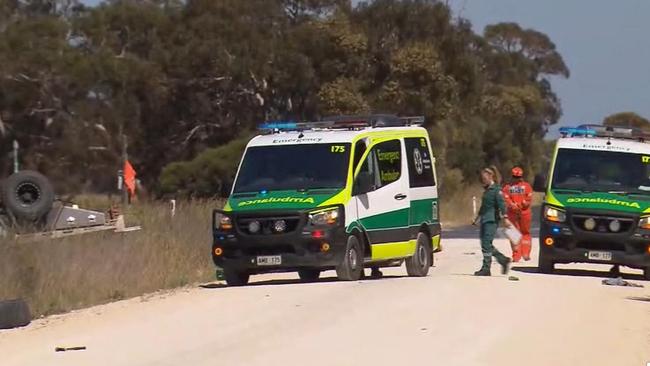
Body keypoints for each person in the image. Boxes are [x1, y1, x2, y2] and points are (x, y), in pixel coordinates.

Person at [472, 166, 512, 276]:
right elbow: (483, 207)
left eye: (485, 178)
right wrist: (477, 219)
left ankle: (486, 268)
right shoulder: (487, 190)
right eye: (482, 178)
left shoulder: (496, 190)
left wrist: (505, 218)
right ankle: (503, 260)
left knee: (486, 243)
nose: (483, 180)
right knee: (485, 243)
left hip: (492, 220)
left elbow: (502, 205)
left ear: (490, 176)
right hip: (485, 219)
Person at [502, 166, 533, 262]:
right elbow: (506, 198)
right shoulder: (507, 187)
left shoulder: (527, 186)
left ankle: (526, 253)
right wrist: (512, 205)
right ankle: (516, 255)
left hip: (524, 212)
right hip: (512, 213)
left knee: (525, 233)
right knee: (513, 233)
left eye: (518, 177)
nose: (516, 179)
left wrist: (522, 204)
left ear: (521, 177)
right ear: (512, 176)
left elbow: (529, 198)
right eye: (515, 177)